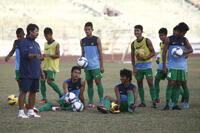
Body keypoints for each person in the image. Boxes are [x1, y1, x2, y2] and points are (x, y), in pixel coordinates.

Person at [162, 22, 193, 110]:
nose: (184, 34)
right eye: (183, 32)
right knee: (171, 83)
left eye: (185, 33)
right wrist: (164, 65)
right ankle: (167, 104)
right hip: (172, 66)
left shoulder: (184, 40)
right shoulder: (169, 39)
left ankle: (175, 104)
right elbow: (164, 52)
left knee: (179, 84)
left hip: (182, 67)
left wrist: (183, 52)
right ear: (179, 31)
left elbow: (190, 49)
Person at [18, 24, 43, 118]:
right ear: (30, 32)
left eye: (37, 31)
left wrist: (41, 72)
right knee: (24, 91)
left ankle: (31, 111)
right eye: (36, 31)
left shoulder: (36, 44)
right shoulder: (24, 42)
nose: (37, 33)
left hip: (35, 73)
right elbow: (26, 55)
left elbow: (39, 59)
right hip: (26, 73)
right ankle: (21, 112)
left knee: (33, 92)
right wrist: (36, 56)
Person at [131, 25, 156, 108]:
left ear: (141, 31)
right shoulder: (133, 43)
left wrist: (146, 57)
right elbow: (132, 57)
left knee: (150, 83)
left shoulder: (147, 41)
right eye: (135, 31)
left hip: (147, 66)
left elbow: (153, 52)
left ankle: (154, 101)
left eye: (137, 30)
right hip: (138, 67)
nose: (136, 32)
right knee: (139, 83)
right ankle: (143, 102)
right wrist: (134, 68)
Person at [80, 22, 104, 108]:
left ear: (92, 30)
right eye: (86, 30)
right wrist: (81, 63)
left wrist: (101, 65)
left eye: (89, 29)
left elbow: (100, 53)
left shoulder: (97, 39)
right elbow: (83, 53)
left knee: (98, 82)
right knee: (89, 84)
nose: (87, 31)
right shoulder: (82, 41)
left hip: (96, 66)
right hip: (87, 66)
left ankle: (101, 100)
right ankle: (90, 102)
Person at [40, 27, 63, 104]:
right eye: (45, 36)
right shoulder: (45, 44)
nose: (46, 38)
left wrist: (48, 55)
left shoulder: (56, 44)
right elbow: (45, 55)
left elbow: (58, 55)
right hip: (45, 66)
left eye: (47, 36)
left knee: (49, 82)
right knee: (42, 81)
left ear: (50, 35)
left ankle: (61, 94)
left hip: (52, 67)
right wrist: (42, 57)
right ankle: (44, 98)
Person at [5, 28, 28, 105]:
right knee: (20, 84)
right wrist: (8, 56)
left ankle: (24, 101)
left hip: (25, 66)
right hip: (17, 67)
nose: (19, 38)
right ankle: (23, 101)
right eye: (17, 36)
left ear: (23, 34)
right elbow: (13, 50)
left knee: (25, 84)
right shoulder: (16, 42)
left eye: (20, 36)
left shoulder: (27, 42)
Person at [154, 28, 168, 103]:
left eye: (162, 35)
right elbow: (162, 52)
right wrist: (158, 58)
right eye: (159, 36)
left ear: (166, 35)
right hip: (161, 65)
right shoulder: (161, 43)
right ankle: (157, 98)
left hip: (168, 65)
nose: (161, 37)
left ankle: (182, 94)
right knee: (156, 80)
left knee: (172, 83)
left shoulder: (169, 42)